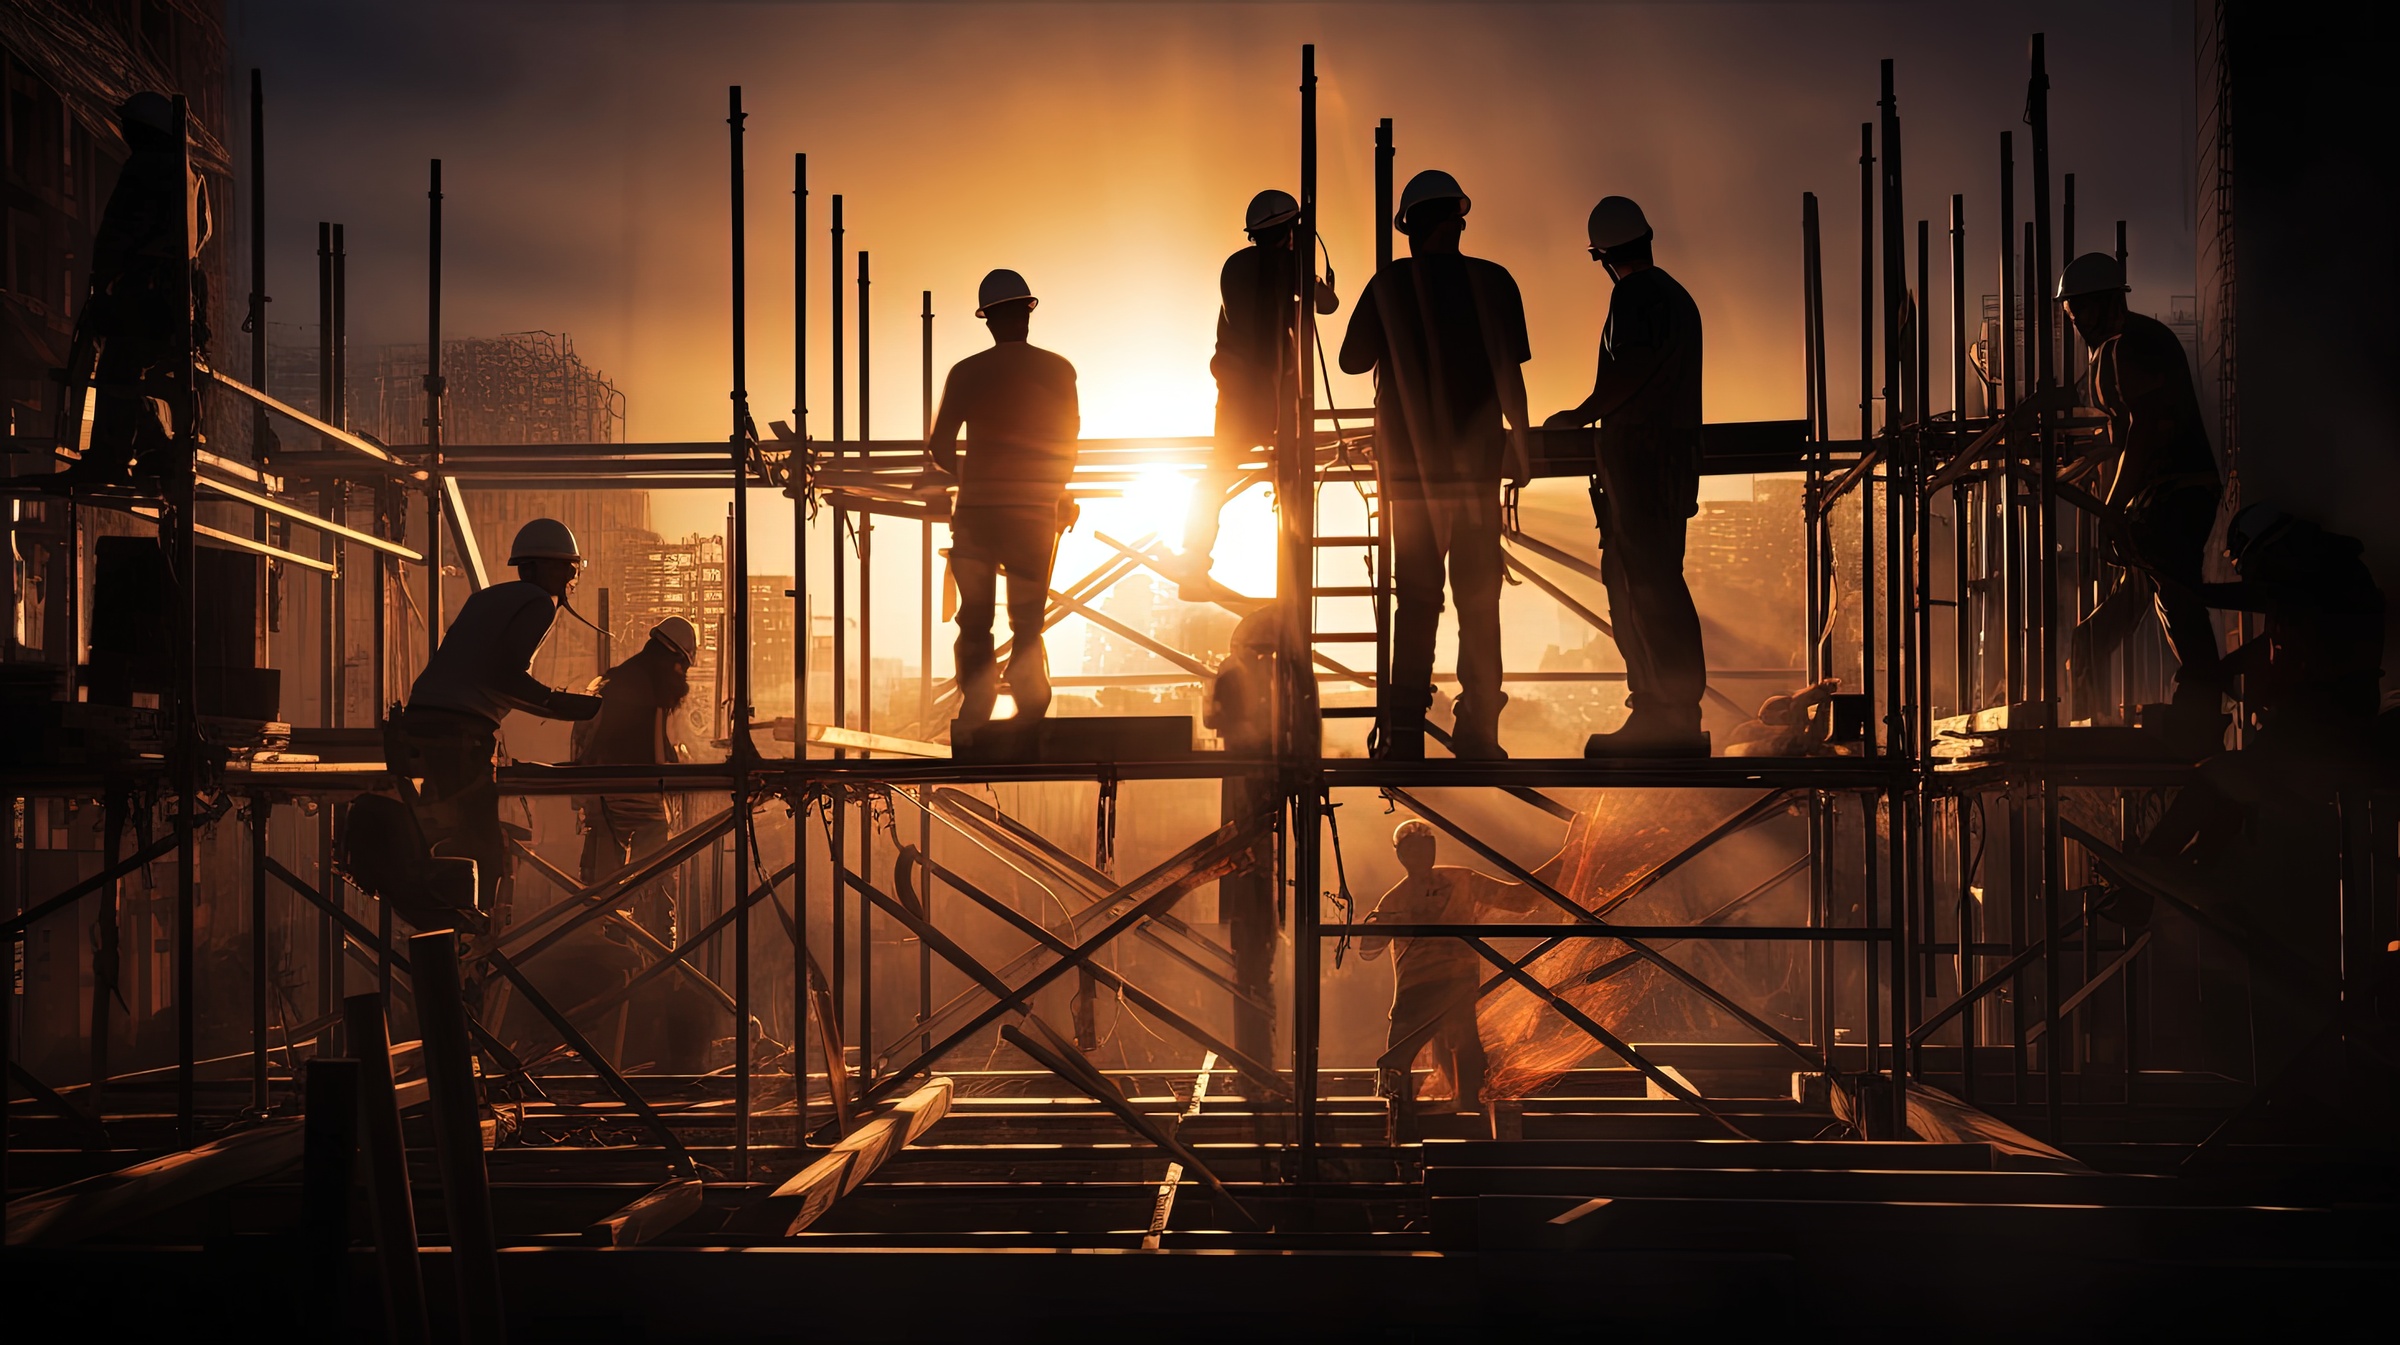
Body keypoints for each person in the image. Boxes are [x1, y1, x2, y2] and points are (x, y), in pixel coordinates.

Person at [1338, 170, 1532, 759]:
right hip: (1474, 471)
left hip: (1412, 472)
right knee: (1479, 598)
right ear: (1457, 220)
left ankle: (1401, 732)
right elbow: (1508, 371)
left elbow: (1350, 361)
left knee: (1417, 598)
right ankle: (1479, 730)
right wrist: (1521, 443)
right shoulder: (1494, 281)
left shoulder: (1391, 283)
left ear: (1409, 228)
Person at [1544, 196, 1710, 758]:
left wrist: (1583, 413)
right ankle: (1675, 714)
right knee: (1657, 582)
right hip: (1664, 467)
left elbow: (1632, 368)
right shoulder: (1677, 300)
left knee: (1640, 588)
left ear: (1604, 256)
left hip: (1641, 465)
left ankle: (1660, 716)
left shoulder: (1635, 295)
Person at [393, 518, 602, 928]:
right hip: (460, 730)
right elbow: (503, 677)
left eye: (573, 569)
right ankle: (468, 925)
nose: (570, 577)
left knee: (438, 825)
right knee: (478, 841)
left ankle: (433, 914)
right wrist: (560, 704)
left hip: (423, 721)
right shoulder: (539, 604)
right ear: (537, 567)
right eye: (565, 568)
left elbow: (478, 667)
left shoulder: (487, 599)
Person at [2057, 251, 2227, 750]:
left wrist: (2114, 505)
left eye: (2082, 312)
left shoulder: (2139, 344)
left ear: (2109, 302)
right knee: (2137, 604)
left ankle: (2197, 704)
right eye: (2071, 317)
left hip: (2178, 492)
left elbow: (2145, 427)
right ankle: (2108, 703)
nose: (2077, 324)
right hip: (2156, 496)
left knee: (2173, 594)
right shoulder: (2109, 352)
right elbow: (2119, 434)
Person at [924, 269, 1082, 739]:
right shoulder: (1059, 370)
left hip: (978, 514)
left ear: (989, 320)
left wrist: (971, 481)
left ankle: (978, 700)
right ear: (1026, 314)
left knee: (976, 615)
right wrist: (1052, 488)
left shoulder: (967, 372)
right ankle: (1031, 706)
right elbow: (1068, 440)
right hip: (1033, 511)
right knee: (1027, 617)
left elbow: (940, 446)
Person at [1177, 189, 1339, 598]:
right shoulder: (1290, 268)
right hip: (1276, 394)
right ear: (1290, 229)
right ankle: (1293, 571)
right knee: (1290, 482)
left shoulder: (1236, 267)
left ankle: (1195, 555)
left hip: (1238, 394)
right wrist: (1305, 263)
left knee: (1217, 476)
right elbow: (1328, 304)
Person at [51, 93, 212, 489]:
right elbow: (199, 241)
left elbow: (121, 233)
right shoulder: (189, 175)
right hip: (171, 301)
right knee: (131, 376)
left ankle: (113, 457)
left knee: (116, 373)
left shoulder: (147, 169)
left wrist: (106, 284)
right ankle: (156, 450)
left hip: (143, 296)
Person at [1358, 819, 1549, 1111]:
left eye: (1425, 848)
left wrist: (1570, 857)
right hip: (1419, 990)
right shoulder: (1395, 899)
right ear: (1401, 856)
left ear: (1433, 849)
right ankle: (1397, 1114)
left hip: (1453, 983)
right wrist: (1381, 923)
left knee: (1456, 1043)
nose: (1421, 857)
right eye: (1413, 851)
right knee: (1405, 1052)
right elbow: (1369, 949)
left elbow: (1520, 899)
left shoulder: (1460, 881)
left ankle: (1470, 1110)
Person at [574, 616, 698, 939]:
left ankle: (610, 932)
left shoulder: (621, 679)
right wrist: (672, 772)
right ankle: (654, 940)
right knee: (656, 863)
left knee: (607, 873)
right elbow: (652, 750)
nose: (682, 675)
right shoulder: (652, 687)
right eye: (682, 666)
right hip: (631, 789)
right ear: (672, 658)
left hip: (604, 790)